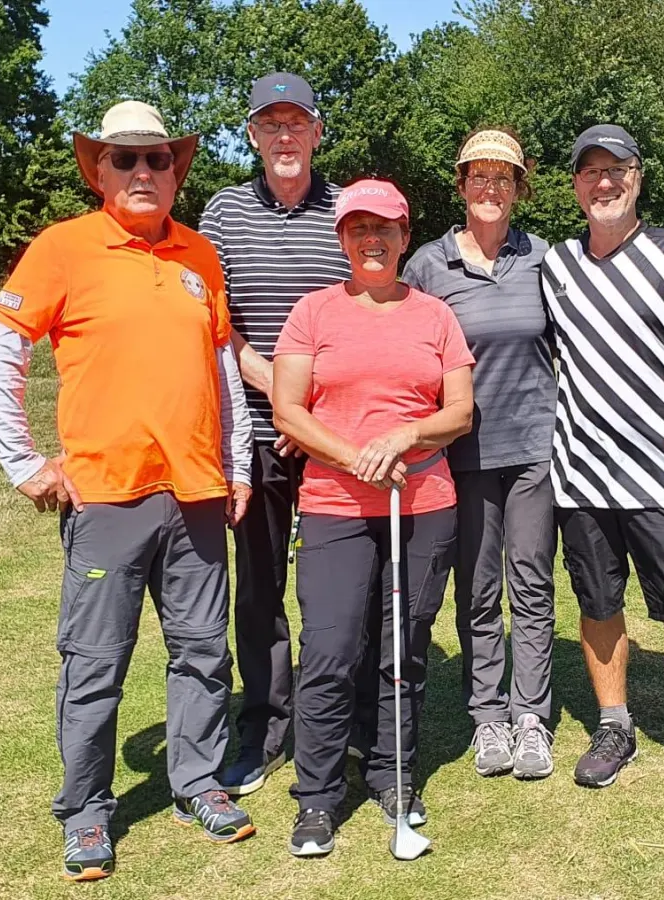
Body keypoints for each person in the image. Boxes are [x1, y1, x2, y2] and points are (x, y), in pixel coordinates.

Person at [0, 101, 256, 882]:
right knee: (95, 661)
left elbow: (221, 369)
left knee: (203, 653)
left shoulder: (200, 255)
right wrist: (24, 464)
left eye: (156, 159)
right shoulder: (63, 248)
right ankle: (87, 810)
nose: (142, 172)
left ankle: (199, 781)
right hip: (107, 498)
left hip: (197, 494)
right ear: (98, 170)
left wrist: (238, 464)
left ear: (176, 171)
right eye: (124, 160)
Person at [270, 179, 475, 856]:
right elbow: (288, 410)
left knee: (403, 650)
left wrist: (406, 438)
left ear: (404, 235)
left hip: (423, 502)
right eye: (358, 228)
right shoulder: (313, 313)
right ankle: (319, 797)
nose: (371, 239)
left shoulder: (435, 315)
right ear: (343, 238)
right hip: (335, 504)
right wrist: (359, 454)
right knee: (329, 650)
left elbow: (459, 412)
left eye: (384, 228)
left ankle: (393, 773)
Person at [541, 125, 664, 811]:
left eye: (615, 169)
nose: (603, 183)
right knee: (597, 605)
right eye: (590, 172)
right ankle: (614, 727)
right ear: (574, 187)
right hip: (582, 474)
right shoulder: (554, 264)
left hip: (662, 471)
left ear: (638, 176)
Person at [198, 72, 363, 795]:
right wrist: (279, 392)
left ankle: (347, 722)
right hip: (256, 435)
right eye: (272, 124)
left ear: (318, 132)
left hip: (335, 434)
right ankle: (266, 724)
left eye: (298, 122)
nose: (286, 135)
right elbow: (214, 321)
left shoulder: (345, 211)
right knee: (260, 587)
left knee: (346, 585)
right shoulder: (224, 213)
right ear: (253, 134)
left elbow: (364, 309)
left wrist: (315, 412)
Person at [403, 128, 557, 779]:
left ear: (519, 190)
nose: (490, 189)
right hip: (461, 454)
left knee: (532, 583)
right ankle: (488, 717)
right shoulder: (428, 267)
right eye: (479, 177)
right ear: (462, 185)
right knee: (478, 589)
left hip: (535, 451)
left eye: (504, 178)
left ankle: (530, 717)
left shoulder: (547, 259)